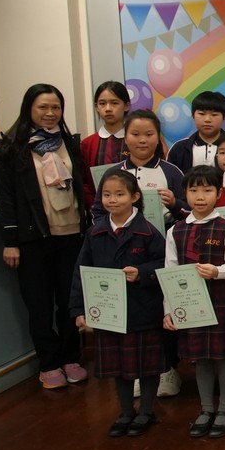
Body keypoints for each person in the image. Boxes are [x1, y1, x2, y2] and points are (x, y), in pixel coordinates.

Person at [0, 84, 89, 388]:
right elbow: (6, 199)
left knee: (70, 302)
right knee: (39, 305)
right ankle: (48, 363)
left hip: (71, 235)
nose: (50, 113)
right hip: (33, 239)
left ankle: (71, 357)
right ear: (29, 109)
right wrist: (10, 241)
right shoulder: (12, 149)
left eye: (56, 107)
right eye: (43, 107)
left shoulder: (69, 143)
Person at [70, 169, 165, 436]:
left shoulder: (148, 232)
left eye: (119, 194)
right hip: (109, 313)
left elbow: (164, 264)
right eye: (107, 195)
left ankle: (146, 411)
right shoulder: (95, 233)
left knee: (147, 366)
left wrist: (142, 273)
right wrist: (78, 309)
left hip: (142, 311)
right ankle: (125, 412)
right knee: (119, 367)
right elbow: (81, 271)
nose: (112, 200)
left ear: (135, 197)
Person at [104, 109, 188, 397]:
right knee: (134, 313)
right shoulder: (113, 173)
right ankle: (139, 369)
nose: (142, 140)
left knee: (162, 309)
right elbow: (98, 212)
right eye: (135, 134)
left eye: (149, 134)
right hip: (123, 252)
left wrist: (175, 203)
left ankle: (168, 369)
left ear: (158, 137)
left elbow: (190, 212)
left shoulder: (171, 171)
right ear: (125, 137)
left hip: (161, 251)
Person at [163, 165, 225, 439]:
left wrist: (217, 271)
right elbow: (170, 273)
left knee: (224, 356)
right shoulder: (175, 231)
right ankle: (206, 408)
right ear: (184, 194)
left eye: (207, 190)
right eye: (194, 190)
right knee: (200, 358)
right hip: (190, 303)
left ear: (218, 194)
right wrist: (169, 310)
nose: (200, 196)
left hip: (220, 300)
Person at [80, 80, 130, 210]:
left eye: (114, 103)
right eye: (102, 103)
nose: (108, 109)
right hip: (99, 210)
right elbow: (84, 181)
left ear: (126, 106)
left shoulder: (135, 140)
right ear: (96, 107)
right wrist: (94, 205)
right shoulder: (87, 144)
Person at [166, 91, 225, 173]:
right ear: (193, 116)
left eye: (214, 114)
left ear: (224, 117)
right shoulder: (179, 148)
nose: (207, 120)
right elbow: (171, 177)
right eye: (201, 114)